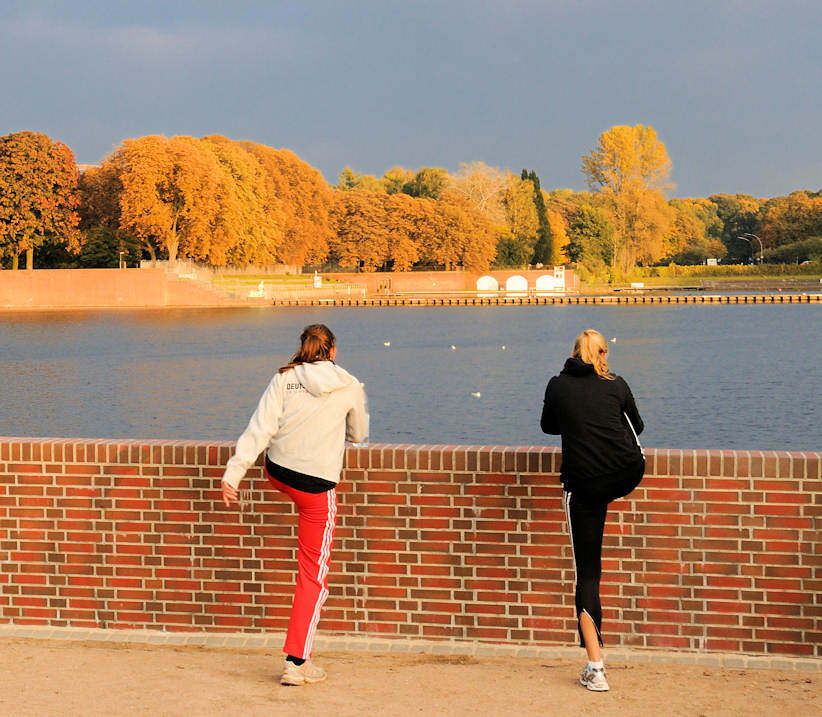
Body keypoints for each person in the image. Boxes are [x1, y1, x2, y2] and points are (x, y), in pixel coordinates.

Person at [221, 324, 368, 686]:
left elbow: (260, 428)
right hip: (316, 486)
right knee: (313, 576)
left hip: (279, 472)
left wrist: (233, 473)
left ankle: (297, 659)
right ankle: (297, 662)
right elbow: (359, 435)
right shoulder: (349, 385)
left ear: (303, 349)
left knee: (307, 557)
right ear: (332, 351)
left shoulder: (284, 378)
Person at [540, 329, 644, 692]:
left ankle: (595, 668)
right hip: (623, 476)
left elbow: (548, 427)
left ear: (572, 353)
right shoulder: (617, 384)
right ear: (603, 353)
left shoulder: (557, 385)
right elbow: (638, 427)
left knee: (588, 575)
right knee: (593, 567)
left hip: (583, 487)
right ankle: (596, 662)